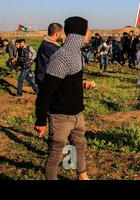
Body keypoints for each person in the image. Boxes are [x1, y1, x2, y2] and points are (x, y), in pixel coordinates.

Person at [34, 16, 91, 180]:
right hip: (60, 117)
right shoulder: (61, 58)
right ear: (79, 34)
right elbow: (46, 91)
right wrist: (40, 120)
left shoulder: (77, 55)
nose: (90, 33)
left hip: (77, 114)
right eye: (88, 30)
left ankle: (81, 175)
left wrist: (83, 83)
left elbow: (68, 81)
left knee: (79, 145)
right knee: (55, 154)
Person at [35, 23, 65, 90]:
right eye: (62, 34)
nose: (63, 36)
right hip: (47, 81)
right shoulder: (51, 47)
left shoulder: (46, 44)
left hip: (42, 78)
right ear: (57, 34)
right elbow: (64, 59)